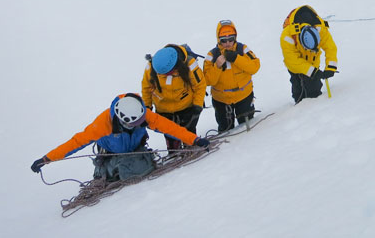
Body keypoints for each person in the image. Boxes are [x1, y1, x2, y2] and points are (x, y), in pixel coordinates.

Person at [29, 93, 209, 182]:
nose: (140, 124)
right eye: (135, 123)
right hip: (111, 153)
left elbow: (170, 128)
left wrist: (195, 140)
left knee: (137, 169)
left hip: (135, 149)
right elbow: (76, 143)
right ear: (123, 120)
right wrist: (47, 159)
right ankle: (107, 171)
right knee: (123, 172)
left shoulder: (142, 113)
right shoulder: (103, 124)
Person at [141, 44, 206, 151]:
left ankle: (192, 154)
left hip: (186, 109)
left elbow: (200, 86)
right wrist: (147, 108)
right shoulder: (151, 67)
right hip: (163, 111)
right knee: (170, 138)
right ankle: (174, 153)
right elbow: (147, 88)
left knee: (189, 136)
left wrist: (197, 107)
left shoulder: (190, 65)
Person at [204, 20, 261, 133]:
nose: (228, 43)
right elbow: (208, 80)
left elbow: (254, 67)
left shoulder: (242, 49)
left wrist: (236, 58)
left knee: (248, 127)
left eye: (231, 39)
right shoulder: (212, 55)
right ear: (218, 39)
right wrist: (217, 66)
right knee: (226, 130)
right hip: (222, 100)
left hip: (244, 96)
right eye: (224, 40)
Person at [280, 5, 338, 103]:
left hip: (313, 62)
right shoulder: (287, 36)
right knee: (298, 91)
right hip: (295, 68)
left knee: (314, 90)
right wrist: (313, 72)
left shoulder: (320, 29)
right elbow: (292, 60)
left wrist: (331, 67)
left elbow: (330, 48)